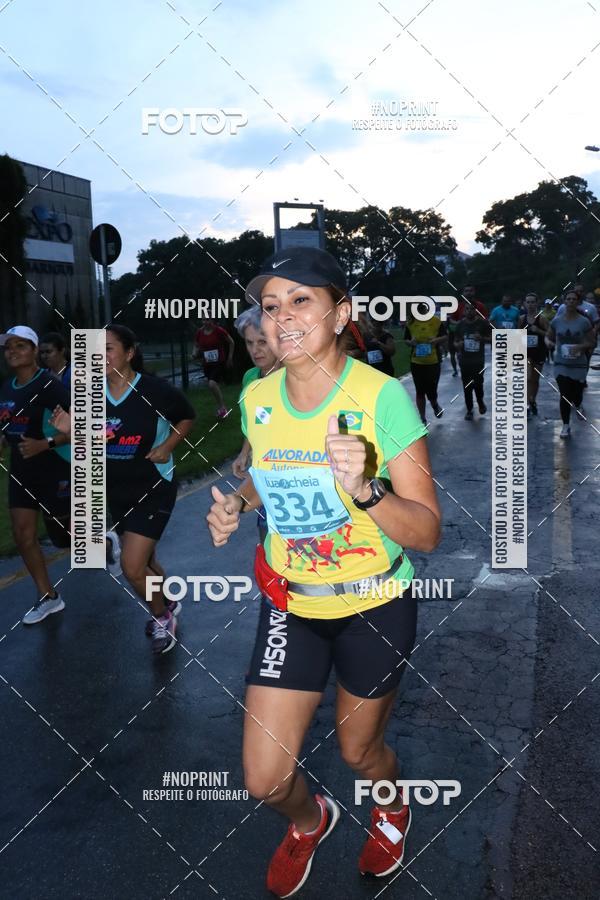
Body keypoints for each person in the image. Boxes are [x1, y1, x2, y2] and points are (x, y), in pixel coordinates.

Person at [207, 246, 441, 897]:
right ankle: (312, 821)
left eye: (300, 300)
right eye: (270, 305)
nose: (281, 316)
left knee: (359, 752)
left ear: (341, 314)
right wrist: (236, 505)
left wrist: (366, 489)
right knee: (265, 780)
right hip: (293, 604)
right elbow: (265, 473)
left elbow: (427, 530)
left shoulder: (381, 396)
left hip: (374, 605)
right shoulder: (257, 395)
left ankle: (391, 806)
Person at [105, 325, 195, 654]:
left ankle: (162, 617)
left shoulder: (154, 390)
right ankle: (167, 599)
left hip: (153, 487)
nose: (100, 356)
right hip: (117, 491)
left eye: (108, 348)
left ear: (129, 353)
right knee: (147, 560)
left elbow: (187, 416)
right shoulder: (91, 395)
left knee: (131, 566)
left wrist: (168, 446)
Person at [0, 326, 71, 624]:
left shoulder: (49, 384)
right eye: (8, 347)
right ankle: (48, 597)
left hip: (55, 466)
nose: (12, 351)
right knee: (22, 534)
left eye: (20, 345)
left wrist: (45, 443)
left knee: (67, 537)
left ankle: (108, 545)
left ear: (33, 350)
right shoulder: (7, 387)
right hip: (22, 470)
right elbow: (9, 424)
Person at [231, 307, 280, 543]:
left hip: (294, 468)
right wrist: (244, 453)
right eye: (249, 343)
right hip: (263, 471)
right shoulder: (250, 378)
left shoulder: (295, 377)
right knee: (267, 538)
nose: (255, 350)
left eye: (262, 342)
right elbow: (255, 422)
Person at [545, 291, 595, 438]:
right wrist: (548, 343)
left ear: (578, 302)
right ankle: (566, 426)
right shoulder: (557, 321)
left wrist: (580, 347)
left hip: (579, 364)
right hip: (561, 363)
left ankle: (578, 404)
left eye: (574, 299)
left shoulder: (584, 322)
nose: (571, 301)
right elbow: (548, 336)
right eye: (568, 299)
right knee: (565, 394)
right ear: (564, 301)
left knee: (576, 394)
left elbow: (592, 342)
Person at [404, 303, 447, 424]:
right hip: (416, 362)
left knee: (431, 390)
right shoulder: (411, 323)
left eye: (423, 310)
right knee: (420, 391)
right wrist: (411, 342)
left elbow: (445, 336)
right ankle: (422, 418)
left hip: (433, 361)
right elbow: (406, 339)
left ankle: (435, 405)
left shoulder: (436, 321)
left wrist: (436, 340)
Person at [454, 302, 491, 419]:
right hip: (464, 360)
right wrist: (458, 344)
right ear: (464, 311)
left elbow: (492, 338)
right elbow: (455, 341)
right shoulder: (460, 325)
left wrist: (482, 338)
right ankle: (469, 410)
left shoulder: (482, 323)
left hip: (478, 360)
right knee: (467, 386)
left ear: (476, 310)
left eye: (471, 309)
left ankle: (480, 401)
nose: (469, 311)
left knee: (478, 384)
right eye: (467, 309)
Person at [191, 318, 234, 419]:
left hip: (219, 362)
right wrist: (194, 353)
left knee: (212, 383)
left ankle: (223, 408)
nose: (205, 322)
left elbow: (231, 342)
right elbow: (196, 345)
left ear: (212, 320)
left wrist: (230, 357)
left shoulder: (219, 331)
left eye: (208, 320)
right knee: (212, 385)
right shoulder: (199, 332)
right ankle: (220, 405)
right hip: (207, 364)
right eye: (203, 320)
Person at [519, 293, 549, 417]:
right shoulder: (521, 319)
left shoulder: (542, 319)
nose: (530, 305)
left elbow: (550, 334)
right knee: (527, 378)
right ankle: (526, 404)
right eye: (528, 302)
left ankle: (532, 400)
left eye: (532, 302)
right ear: (524, 304)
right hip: (526, 353)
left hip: (539, 352)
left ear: (537, 303)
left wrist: (539, 331)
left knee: (535, 380)